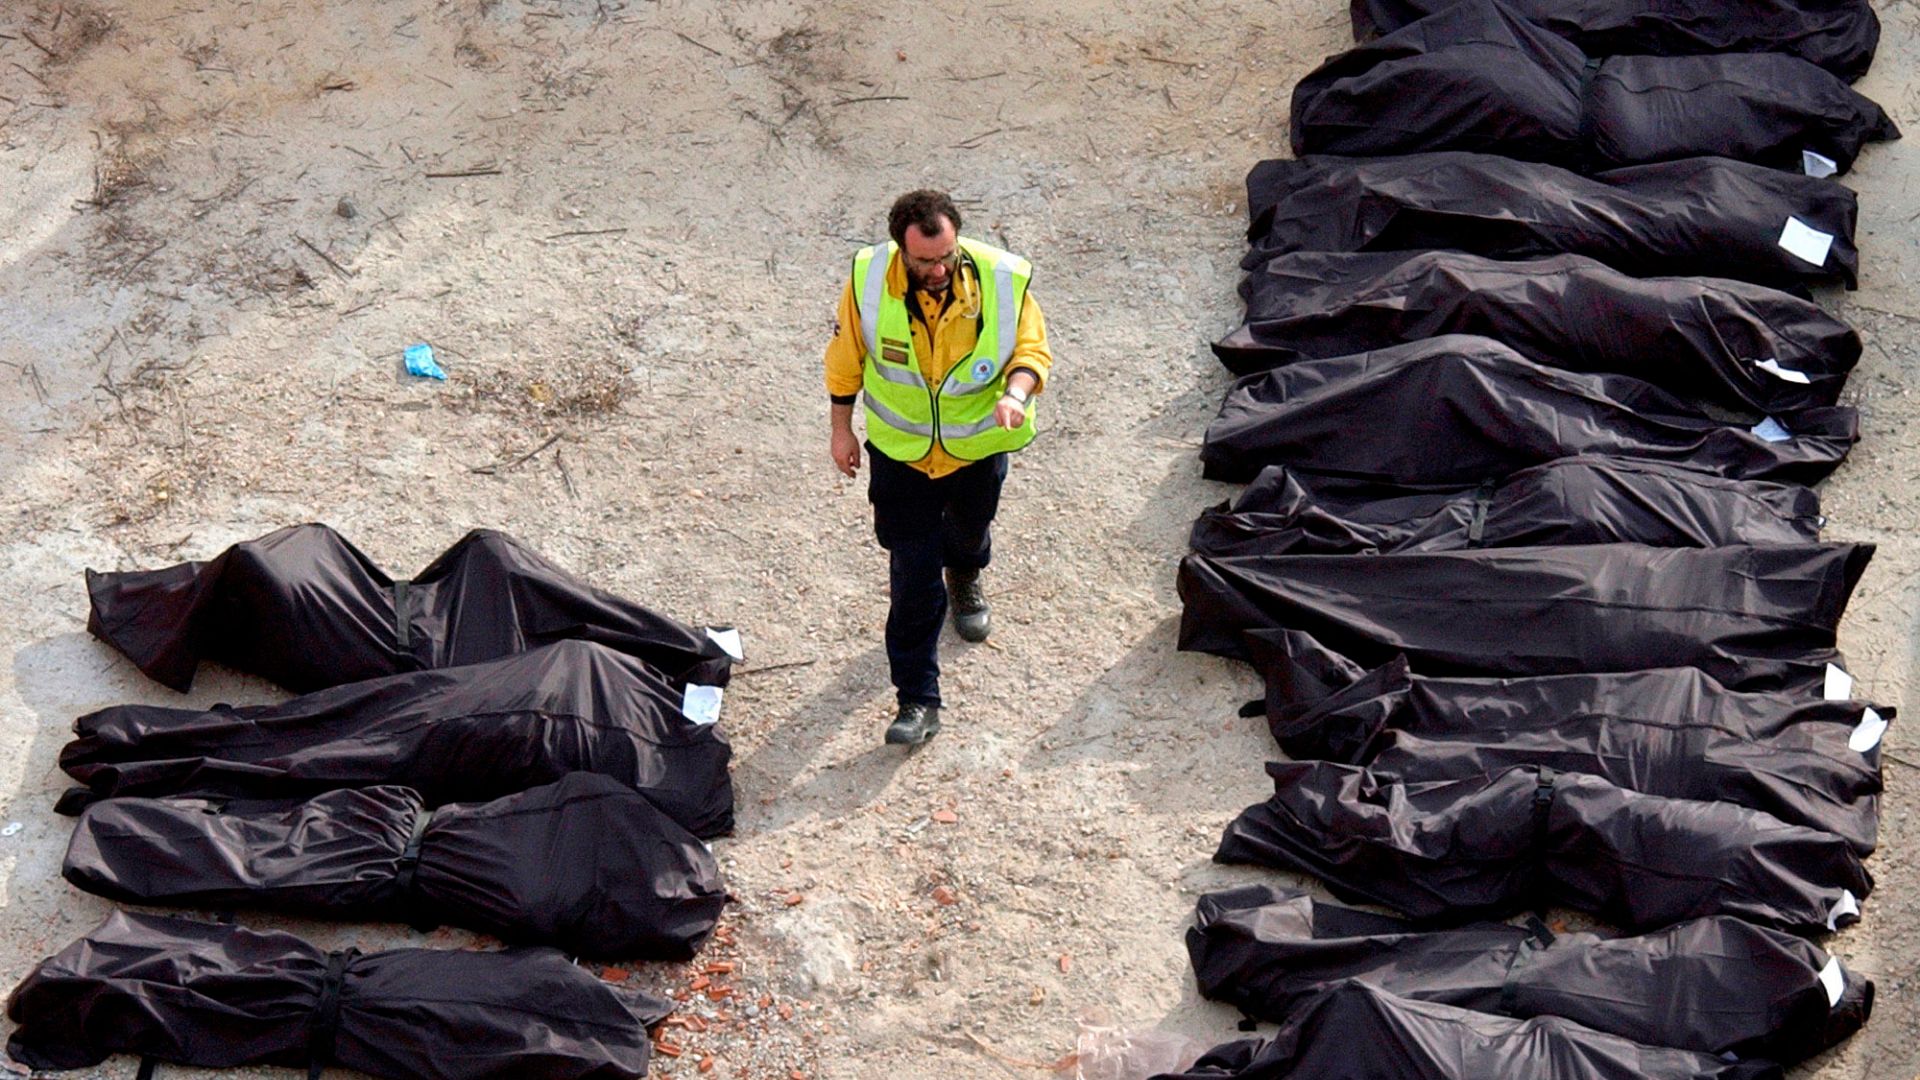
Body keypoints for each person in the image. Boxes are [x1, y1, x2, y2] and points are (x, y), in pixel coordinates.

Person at [823, 190, 1055, 746]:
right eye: (924, 260)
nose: (937, 269)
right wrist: (840, 429)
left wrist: (1017, 395)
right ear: (901, 249)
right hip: (902, 457)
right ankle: (917, 701)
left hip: (976, 449)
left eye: (945, 256)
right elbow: (846, 357)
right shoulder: (868, 280)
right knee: (911, 577)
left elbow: (1032, 352)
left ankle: (967, 575)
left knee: (970, 532)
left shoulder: (1003, 279)